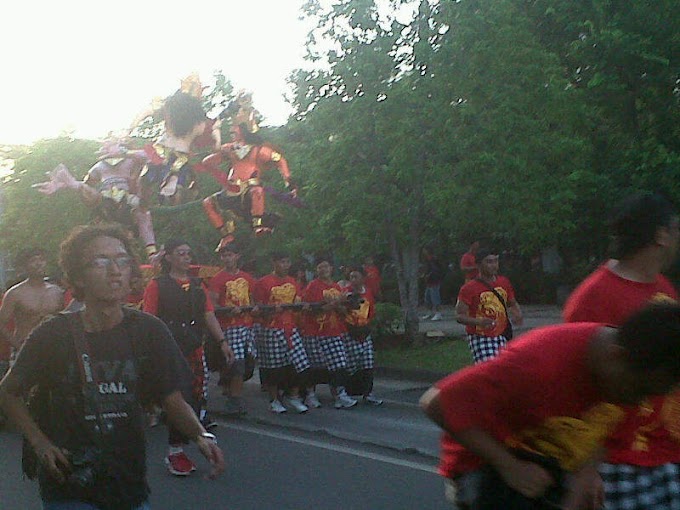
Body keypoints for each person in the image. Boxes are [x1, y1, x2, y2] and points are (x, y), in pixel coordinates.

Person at [0, 224, 225, 510]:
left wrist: (200, 435)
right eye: (100, 261)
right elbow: (8, 392)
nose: (115, 270)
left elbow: (170, 396)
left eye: (121, 260)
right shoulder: (52, 334)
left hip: (126, 481)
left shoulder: (148, 330)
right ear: (78, 277)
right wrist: (40, 443)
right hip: (69, 482)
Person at [421, 303, 680, 510]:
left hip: (547, 463)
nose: (641, 404)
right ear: (616, 356)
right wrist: (510, 467)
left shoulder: (634, 378)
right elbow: (437, 402)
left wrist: (588, 474)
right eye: (640, 392)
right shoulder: (537, 366)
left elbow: (604, 431)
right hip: (484, 466)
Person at [563, 192, 680, 510]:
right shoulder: (593, 297)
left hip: (668, 457)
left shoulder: (664, 290)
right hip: (616, 462)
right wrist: (586, 470)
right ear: (661, 235)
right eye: (675, 229)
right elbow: (575, 388)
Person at [142, 239, 234, 476]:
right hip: (168, 348)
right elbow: (149, 319)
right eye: (180, 253)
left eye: (188, 253)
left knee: (194, 397)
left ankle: (183, 444)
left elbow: (208, 315)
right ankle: (175, 452)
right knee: (177, 398)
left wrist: (223, 342)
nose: (186, 257)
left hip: (194, 348)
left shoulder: (196, 285)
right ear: (169, 257)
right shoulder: (157, 285)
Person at [201, 92, 297, 251]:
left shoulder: (259, 150)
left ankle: (257, 225)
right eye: (231, 128)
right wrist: (214, 163)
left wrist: (289, 182)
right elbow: (208, 161)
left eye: (235, 128)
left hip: (249, 188)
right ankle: (226, 235)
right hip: (231, 189)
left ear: (244, 130)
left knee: (257, 191)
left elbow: (280, 160)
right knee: (208, 202)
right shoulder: (230, 149)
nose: (232, 130)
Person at [253, 252, 310, 414]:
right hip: (270, 328)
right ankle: (274, 400)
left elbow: (297, 303)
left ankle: (294, 395)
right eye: (281, 262)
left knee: (299, 363)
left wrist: (302, 307)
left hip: (290, 328)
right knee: (274, 367)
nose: (285, 265)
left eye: (287, 261)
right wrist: (270, 311)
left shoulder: (293, 282)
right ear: (274, 263)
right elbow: (257, 308)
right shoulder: (263, 282)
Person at [207, 242, 257, 416]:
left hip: (247, 324)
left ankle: (229, 388)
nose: (227, 258)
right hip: (230, 326)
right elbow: (211, 305)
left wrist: (254, 308)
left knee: (249, 360)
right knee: (237, 364)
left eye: (230, 255)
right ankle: (234, 400)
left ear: (237, 256)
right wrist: (228, 311)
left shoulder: (247, 278)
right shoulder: (218, 279)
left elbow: (252, 299)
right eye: (224, 255)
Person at [300, 258, 358, 410]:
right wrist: (333, 304)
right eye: (320, 267)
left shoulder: (336, 287)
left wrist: (342, 305)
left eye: (326, 266)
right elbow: (310, 309)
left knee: (340, 362)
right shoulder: (312, 286)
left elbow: (343, 311)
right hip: (314, 331)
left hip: (333, 330)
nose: (324, 269)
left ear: (332, 268)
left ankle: (340, 394)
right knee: (315, 365)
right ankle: (310, 395)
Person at [455, 247, 522, 363]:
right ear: (479, 265)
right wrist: (479, 322)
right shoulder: (468, 288)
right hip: (481, 336)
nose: (494, 265)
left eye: (496, 261)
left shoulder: (503, 282)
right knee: (490, 369)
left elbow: (512, 303)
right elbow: (459, 316)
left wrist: (517, 314)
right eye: (489, 262)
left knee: (505, 369)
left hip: (502, 334)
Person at [0, 248, 65, 353]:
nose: (39, 263)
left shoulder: (56, 292)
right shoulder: (15, 293)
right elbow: (1, 323)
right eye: (33, 260)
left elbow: (64, 319)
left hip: (53, 348)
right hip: (25, 347)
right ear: (25, 266)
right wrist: (18, 346)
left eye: (42, 260)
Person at [341, 266, 383, 405]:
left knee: (368, 362)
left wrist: (368, 324)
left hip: (364, 331)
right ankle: (346, 391)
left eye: (356, 276)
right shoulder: (346, 293)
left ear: (363, 278)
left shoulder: (368, 292)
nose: (353, 280)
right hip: (350, 331)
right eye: (351, 277)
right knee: (351, 363)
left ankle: (368, 392)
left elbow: (371, 310)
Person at [421, 248, 445, 321]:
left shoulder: (434, 260)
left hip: (434, 281)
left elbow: (435, 270)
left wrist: (429, 275)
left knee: (435, 298)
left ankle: (438, 313)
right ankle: (429, 312)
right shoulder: (427, 261)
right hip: (429, 282)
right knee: (427, 298)